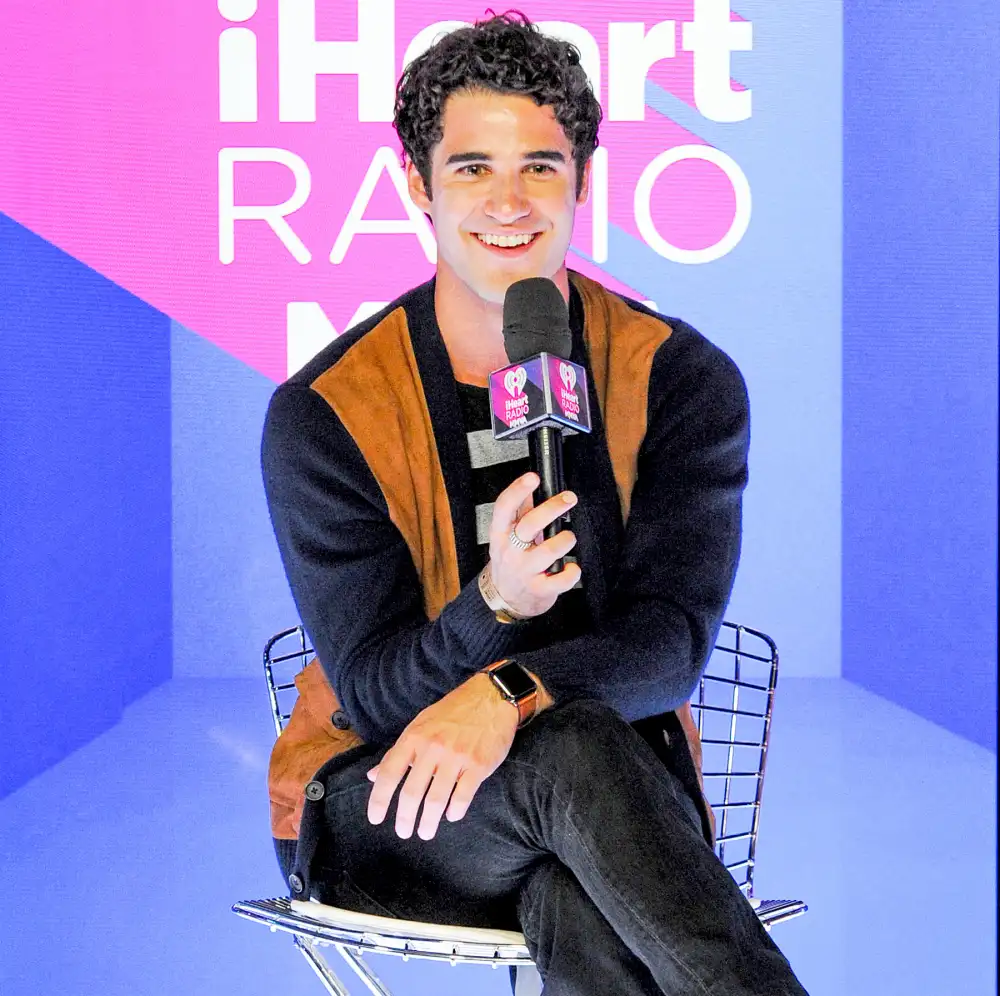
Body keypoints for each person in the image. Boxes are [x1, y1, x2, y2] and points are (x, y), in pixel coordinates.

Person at [260, 13, 808, 996]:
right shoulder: (327, 412)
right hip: (395, 806)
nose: (509, 203)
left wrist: (510, 690)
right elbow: (377, 692)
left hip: (614, 809)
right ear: (416, 186)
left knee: (578, 867)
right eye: (471, 168)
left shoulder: (679, 379)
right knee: (577, 755)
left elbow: (669, 647)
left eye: (540, 169)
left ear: (582, 181)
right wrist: (492, 608)